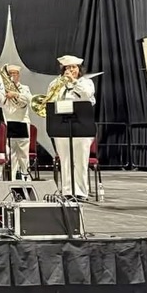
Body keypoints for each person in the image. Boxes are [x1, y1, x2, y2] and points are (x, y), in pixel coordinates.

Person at [46, 55, 96, 200]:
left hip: (81, 124)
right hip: (61, 124)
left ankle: (81, 191)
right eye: (67, 68)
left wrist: (73, 82)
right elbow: (50, 99)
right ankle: (67, 191)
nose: (70, 71)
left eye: (73, 68)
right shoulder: (56, 83)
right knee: (65, 160)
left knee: (80, 160)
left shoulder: (86, 82)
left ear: (79, 69)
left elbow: (87, 95)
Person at [1, 65, 33, 180]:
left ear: (18, 76)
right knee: (11, 154)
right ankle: (12, 179)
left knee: (23, 154)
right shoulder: (2, 88)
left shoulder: (24, 88)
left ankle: (26, 177)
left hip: (22, 122)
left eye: (15, 73)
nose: (12, 76)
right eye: (10, 74)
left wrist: (15, 94)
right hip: (8, 121)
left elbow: (29, 99)